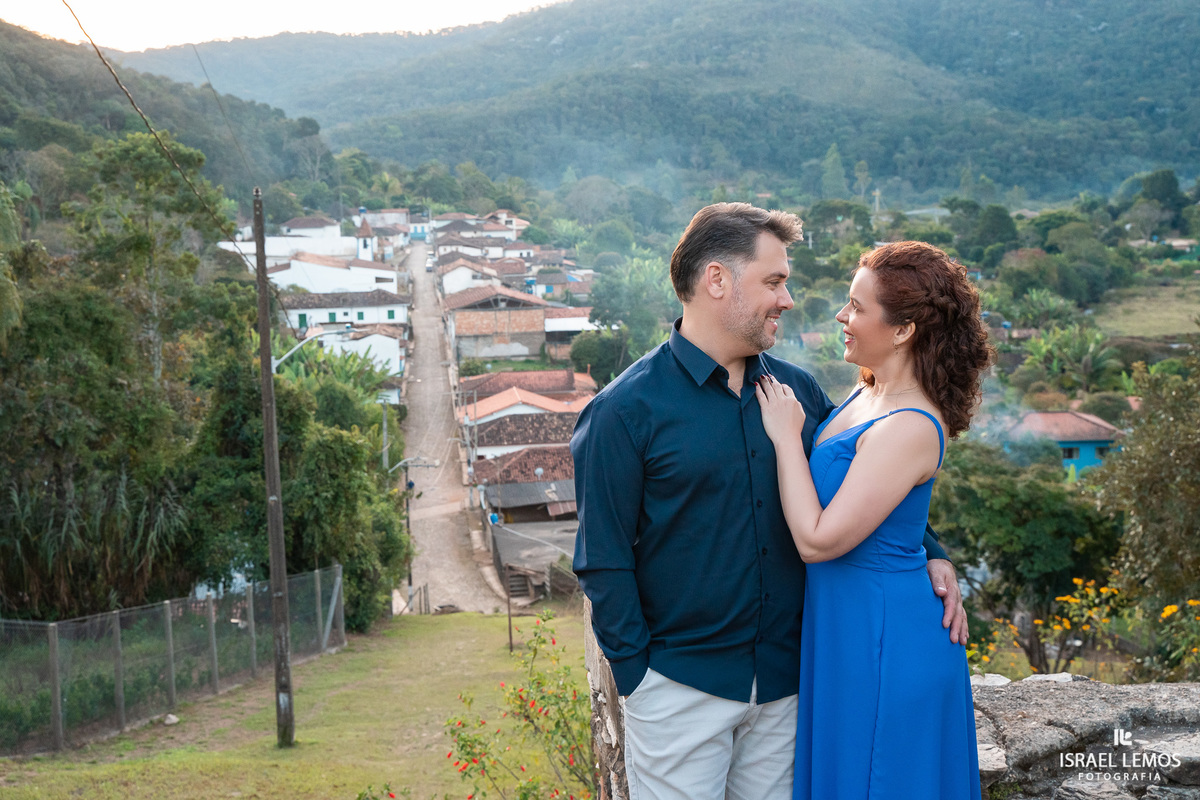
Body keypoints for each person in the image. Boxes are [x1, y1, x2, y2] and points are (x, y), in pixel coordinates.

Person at [572, 204, 968, 800]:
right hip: (681, 691)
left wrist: (931, 550)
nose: (788, 299)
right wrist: (640, 681)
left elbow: (869, 478)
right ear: (717, 280)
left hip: (789, 689)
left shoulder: (796, 390)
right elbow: (602, 558)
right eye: (774, 282)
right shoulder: (623, 413)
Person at [756, 240, 991, 799]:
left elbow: (817, 542)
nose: (842, 316)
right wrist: (935, 553)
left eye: (857, 307)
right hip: (847, 631)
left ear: (904, 329)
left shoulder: (911, 425)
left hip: (884, 640)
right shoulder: (866, 393)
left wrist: (786, 438)